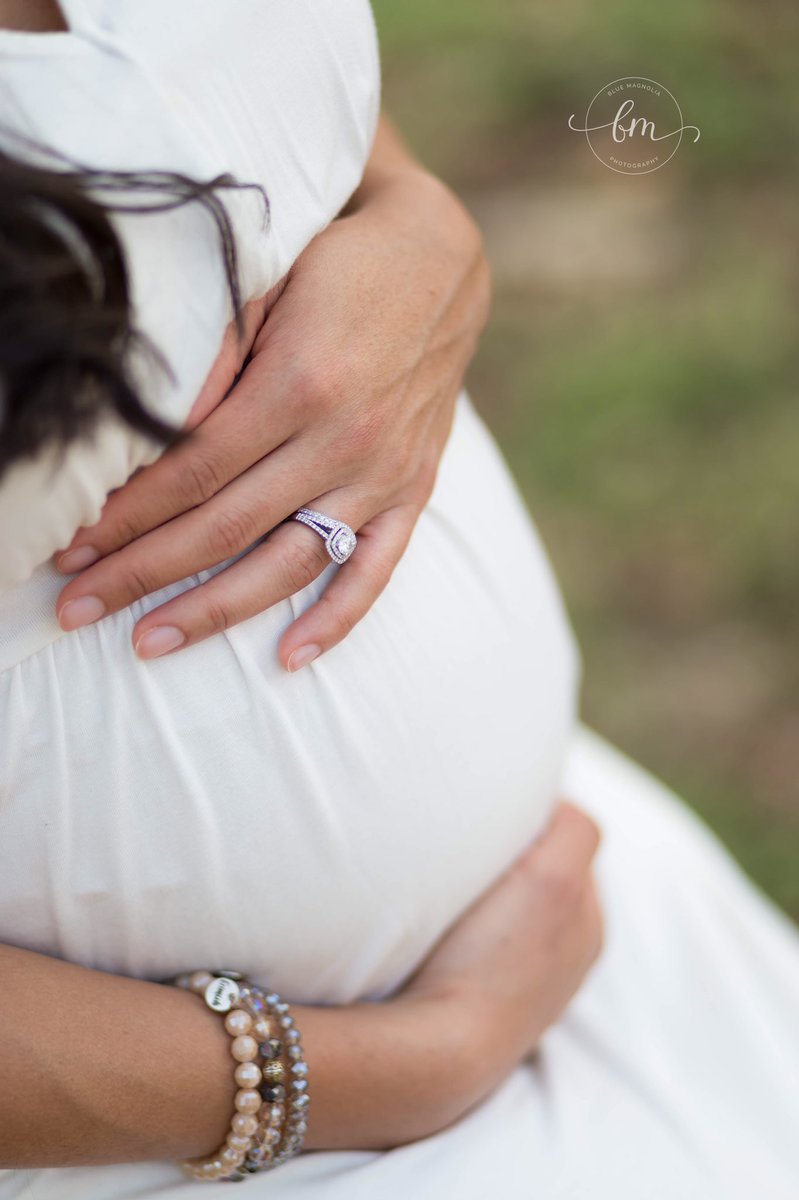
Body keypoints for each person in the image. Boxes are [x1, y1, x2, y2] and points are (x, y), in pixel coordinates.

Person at [0, 2, 797, 1198]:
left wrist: (411, 219)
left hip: (580, 896)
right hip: (167, 1140)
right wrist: (392, 1067)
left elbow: (236, 87)